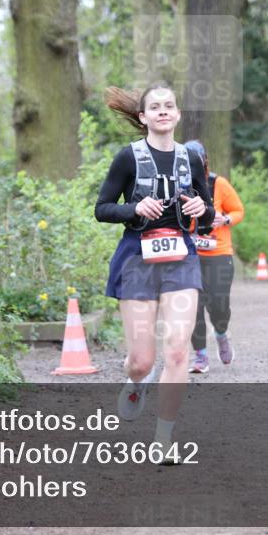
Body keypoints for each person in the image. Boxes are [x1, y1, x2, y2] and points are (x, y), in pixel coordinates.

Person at [95, 84, 214, 461]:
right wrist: (132, 208)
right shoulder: (128, 158)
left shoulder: (190, 158)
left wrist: (201, 209)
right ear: (143, 117)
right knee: (142, 360)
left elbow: (208, 213)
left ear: (177, 115)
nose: (163, 111)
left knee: (177, 350)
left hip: (180, 257)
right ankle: (135, 381)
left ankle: (164, 438)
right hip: (137, 258)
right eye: (155, 107)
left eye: (169, 106)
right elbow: (102, 208)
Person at [183, 139, 244, 374]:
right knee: (194, 307)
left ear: (205, 162)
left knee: (219, 305)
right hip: (190, 254)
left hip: (219, 253)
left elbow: (238, 210)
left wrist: (225, 219)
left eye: (195, 162)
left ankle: (221, 333)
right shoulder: (178, 185)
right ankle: (200, 356)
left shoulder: (218, 184)